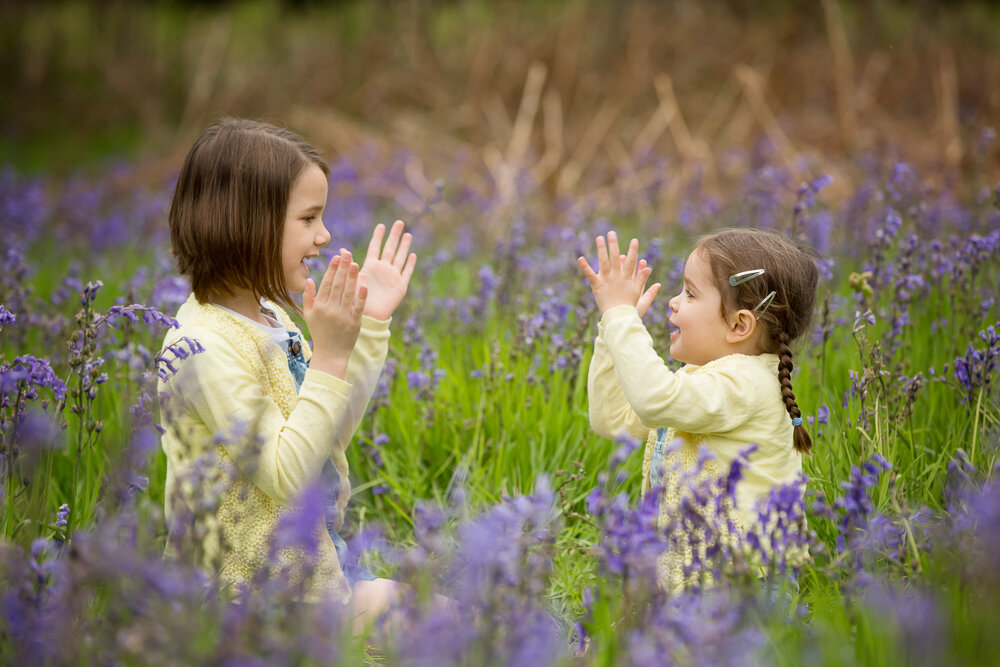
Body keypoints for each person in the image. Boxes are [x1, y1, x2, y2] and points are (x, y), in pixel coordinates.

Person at [157, 118, 416, 631]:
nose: (324, 236)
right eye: (309, 218)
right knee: (430, 616)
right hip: (245, 604)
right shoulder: (201, 348)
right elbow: (286, 475)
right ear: (247, 222)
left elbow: (327, 435)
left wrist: (366, 330)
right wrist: (330, 358)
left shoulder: (270, 322)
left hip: (309, 573)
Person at [577, 228, 818, 590]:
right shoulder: (703, 381)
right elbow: (612, 420)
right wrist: (611, 334)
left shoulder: (744, 386)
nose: (673, 302)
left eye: (690, 293)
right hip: (693, 583)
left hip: (742, 591)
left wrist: (621, 318)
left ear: (739, 325)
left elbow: (654, 398)